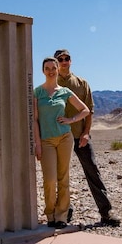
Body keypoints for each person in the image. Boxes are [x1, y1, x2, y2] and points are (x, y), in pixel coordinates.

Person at [53, 48, 121, 227]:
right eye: (61, 59)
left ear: (71, 61)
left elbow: (89, 110)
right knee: (61, 174)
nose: (64, 61)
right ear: (56, 62)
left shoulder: (82, 83)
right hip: (60, 137)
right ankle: (64, 211)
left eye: (67, 58)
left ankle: (106, 212)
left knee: (93, 172)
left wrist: (85, 133)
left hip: (80, 137)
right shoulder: (52, 84)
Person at [33, 56, 90, 229]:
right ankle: (50, 213)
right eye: (47, 68)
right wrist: (37, 143)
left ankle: (61, 216)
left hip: (65, 138)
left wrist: (71, 119)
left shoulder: (64, 92)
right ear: (43, 71)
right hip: (46, 141)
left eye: (53, 67)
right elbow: (34, 120)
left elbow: (85, 110)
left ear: (58, 70)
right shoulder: (37, 92)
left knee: (63, 177)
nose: (50, 71)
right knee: (49, 179)